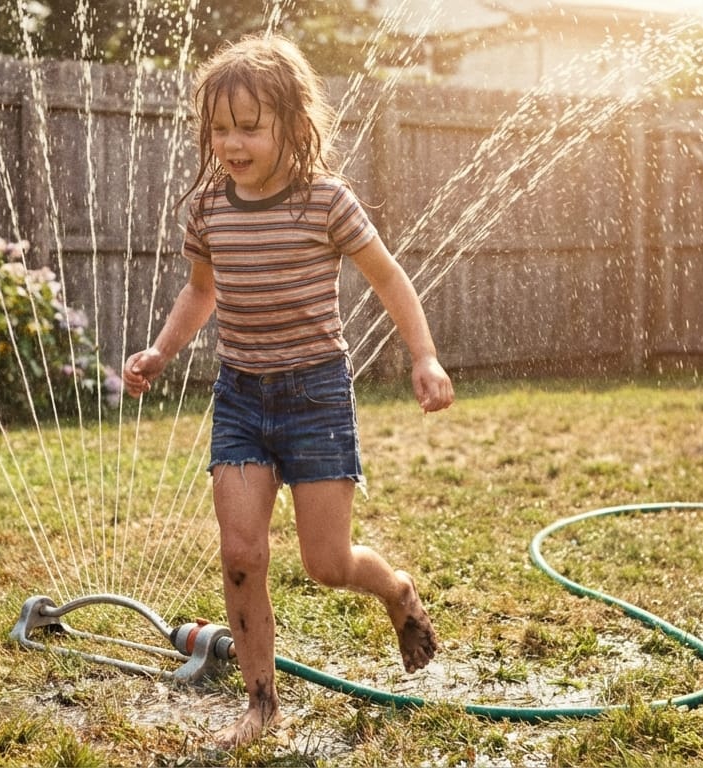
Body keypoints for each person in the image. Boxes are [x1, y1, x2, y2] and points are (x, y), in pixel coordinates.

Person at [122, 33, 454, 750]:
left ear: (290, 123)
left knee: (326, 564)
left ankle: (396, 590)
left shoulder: (325, 202)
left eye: (250, 126)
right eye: (219, 128)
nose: (232, 143)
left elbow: (390, 278)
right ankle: (261, 704)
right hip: (241, 394)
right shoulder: (208, 207)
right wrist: (162, 349)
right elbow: (200, 291)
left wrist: (423, 356)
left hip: (316, 397)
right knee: (241, 552)